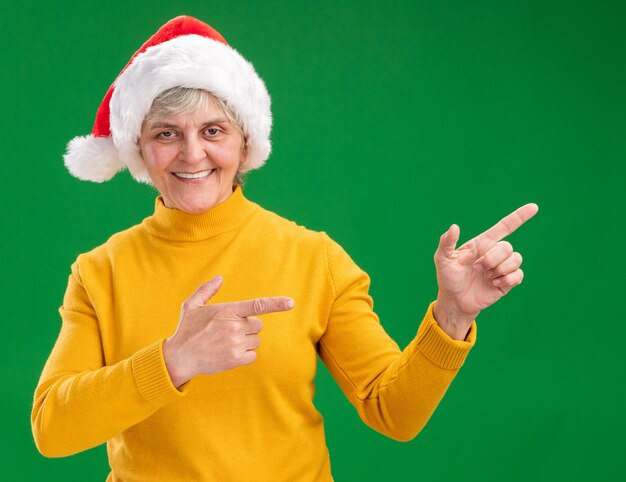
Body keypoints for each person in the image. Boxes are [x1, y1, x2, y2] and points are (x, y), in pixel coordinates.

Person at [31, 15, 538, 482]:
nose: (192, 153)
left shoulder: (313, 258)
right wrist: (173, 360)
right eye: (166, 134)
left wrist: (452, 317)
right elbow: (52, 430)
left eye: (213, 131)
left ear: (245, 142)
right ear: (138, 148)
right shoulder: (100, 272)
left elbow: (394, 413)